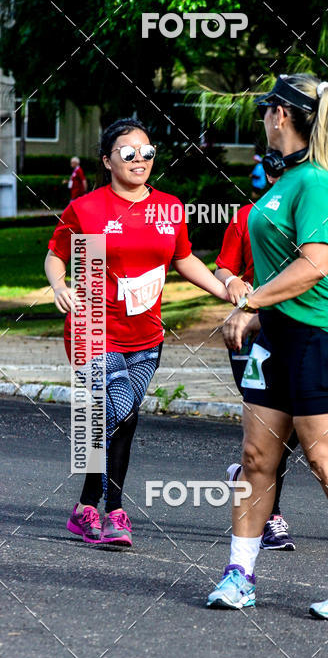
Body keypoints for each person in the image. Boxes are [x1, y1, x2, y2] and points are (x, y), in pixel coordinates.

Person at [206, 73, 328, 620]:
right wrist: (249, 296)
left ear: (281, 116)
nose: (264, 117)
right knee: (255, 457)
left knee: (327, 458)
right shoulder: (283, 182)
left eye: (267, 110)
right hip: (278, 337)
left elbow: (314, 266)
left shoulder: (318, 183)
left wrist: (251, 303)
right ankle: (240, 573)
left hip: (319, 335)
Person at [45, 118, 228, 548]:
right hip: (94, 328)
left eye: (147, 151)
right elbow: (56, 254)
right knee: (119, 410)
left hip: (146, 338)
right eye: (128, 152)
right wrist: (60, 285)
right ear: (107, 160)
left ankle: (94, 507)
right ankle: (108, 508)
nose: (139, 159)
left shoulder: (169, 207)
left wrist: (226, 290)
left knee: (121, 420)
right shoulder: (88, 209)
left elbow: (184, 259)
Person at [215, 202, 298, 550]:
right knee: (268, 427)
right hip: (251, 331)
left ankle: (245, 477)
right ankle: (271, 517)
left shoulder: (317, 209)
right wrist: (232, 279)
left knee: (296, 428)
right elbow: (223, 267)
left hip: (300, 329)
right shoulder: (249, 214)